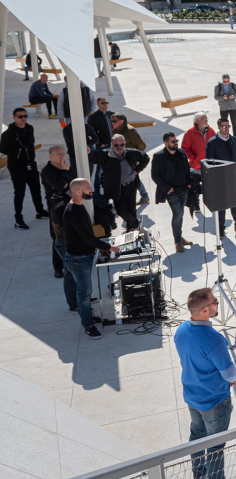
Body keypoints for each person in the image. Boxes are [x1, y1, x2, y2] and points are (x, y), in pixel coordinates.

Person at [174, 288, 236, 479]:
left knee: (197, 436)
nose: (219, 304)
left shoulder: (181, 330)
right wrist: (230, 377)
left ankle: (199, 477)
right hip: (215, 402)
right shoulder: (214, 339)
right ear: (206, 310)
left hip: (192, 396)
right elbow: (231, 374)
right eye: (216, 302)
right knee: (215, 447)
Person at [64, 179, 119, 339]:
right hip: (79, 260)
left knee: (84, 293)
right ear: (79, 191)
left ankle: (86, 316)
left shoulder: (77, 207)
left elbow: (87, 235)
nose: (91, 190)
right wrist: (109, 247)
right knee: (84, 293)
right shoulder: (74, 212)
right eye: (88, 188)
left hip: (82, 256)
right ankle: (88, 325)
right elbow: (87, 237)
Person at [87, 135, 149, 232]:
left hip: (131, 185)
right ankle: (136, 224)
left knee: (131, 210)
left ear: (125, 144)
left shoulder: (131, 153)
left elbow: (145, 158)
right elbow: (95, 156)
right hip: (116, 188)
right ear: (111, 145)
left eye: (121, 145)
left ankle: (132, 228)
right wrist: (89, 152)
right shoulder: (106, 155)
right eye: (116, 145)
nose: (119, 147)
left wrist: (137, 171)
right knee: (121, 211)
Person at [1, 107, 49, 229]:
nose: (23, 119)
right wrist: (16, 154)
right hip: (16, 166)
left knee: (36, 189)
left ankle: (40, 211)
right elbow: (2, 149)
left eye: (25, 116)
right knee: (20, 192)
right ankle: (18, 219)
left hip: (30, 164)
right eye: (20, 117)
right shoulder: (8, 133)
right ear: (14, 117)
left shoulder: (30, 128)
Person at [205, 119, 236, 237]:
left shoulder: (234, 140)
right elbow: (210, 163)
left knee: (235, 200)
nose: (226, 128)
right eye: (224, 126)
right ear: (218, 127)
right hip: (221, 180)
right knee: (222, 204)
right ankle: (220, 228)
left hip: (235, 178)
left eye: (228, 126)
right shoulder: (212, 143)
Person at [151, 132, 193, 252]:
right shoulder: (159, 156)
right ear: (166, 143)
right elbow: (155, 175)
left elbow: (187, 169)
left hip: (183, 189)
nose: (176, 143)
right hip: (172, 192)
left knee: (180, 214)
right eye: (173, 141)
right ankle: (178, 241)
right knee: (177, 214)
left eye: (176, 141)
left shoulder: (181, 153)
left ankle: (179, 237)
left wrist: (189, 181)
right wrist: (167, 188)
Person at [42, 146, 75, 279]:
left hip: (70, 203)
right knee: (57, 236)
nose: (62, 156)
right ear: (51, 156)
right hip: (56, 207)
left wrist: (67, 185)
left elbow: (72, 183)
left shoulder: (67, 166)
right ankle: (58, 267)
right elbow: (58, 186)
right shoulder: (47, 171)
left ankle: (72, 262)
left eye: (63, 153)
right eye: (58, 154)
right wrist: (65, 173)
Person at [111, 113, 150, 204]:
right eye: (111, 120)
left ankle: (144, 196)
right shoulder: (115, 130)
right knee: (132, 178)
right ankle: (144, 196)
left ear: (122, 121)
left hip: (129, 161)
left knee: (133, 177)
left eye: (114, 121)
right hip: (119, 159)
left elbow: (142, 146)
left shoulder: (130, 131)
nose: (112, 122)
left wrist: (135, 158)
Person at [181, 112, 216, 215]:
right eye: (204, 119)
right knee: (195, 186)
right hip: (196, 165)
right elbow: (184, 149)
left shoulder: (211, 131)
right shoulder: (189, 133)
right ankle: (196, 204)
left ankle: (211, 203)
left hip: (209, 165)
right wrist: (194, 158)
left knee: (209, 185)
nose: (206, 120)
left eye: (206, 118)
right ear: (197, 121)